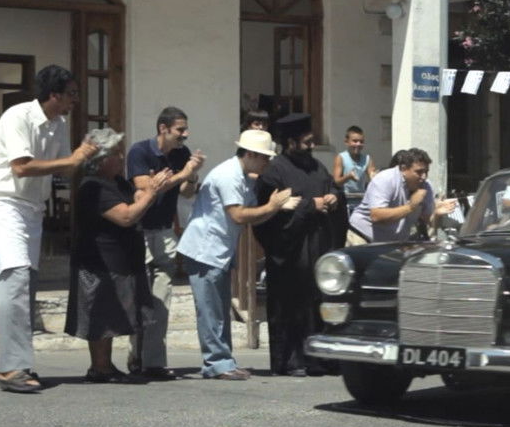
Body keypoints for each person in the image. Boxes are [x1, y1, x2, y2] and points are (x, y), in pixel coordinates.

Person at [0, 64, 98, 393]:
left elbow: (60, 169)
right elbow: (22, 166)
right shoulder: (17, 117)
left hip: (32, 210)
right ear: (54, 94)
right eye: (71, 94)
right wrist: (73, 159)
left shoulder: (58, 123)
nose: (75, 100)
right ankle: (10, 368)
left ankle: (20, 363)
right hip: (3, 205)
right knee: (14, 281)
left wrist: (86, 158)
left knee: (25, 287)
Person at [176, 130, 292, 380]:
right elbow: (238, 215)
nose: (267, 163)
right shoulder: (229, 175)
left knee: (219, 310)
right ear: (250, 154)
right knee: (210, 311)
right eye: (264, 157)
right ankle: (217, 363)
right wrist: (273, 207)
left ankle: (224, 360)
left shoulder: (241, 175)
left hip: (217, 250)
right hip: (205, 250)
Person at [66, 129, 170, 383]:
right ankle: (99, 368)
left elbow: (137, 199)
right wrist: (150, 194)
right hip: (100, 261)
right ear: (101, 158)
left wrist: (152, 190)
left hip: (121, 261)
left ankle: (105, 366)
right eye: (115, 153)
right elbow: (125, 216)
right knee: (102, 314)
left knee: (112, 314)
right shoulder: (93, 186)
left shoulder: (117, 182)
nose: (121, 157)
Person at [254, 113, 346, 376]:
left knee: (319, 303)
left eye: (312, 142)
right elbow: (268, 215)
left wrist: (333, 198)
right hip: (290, 252)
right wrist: (310, 206)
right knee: (291, 305)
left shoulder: (317, 167)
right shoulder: (274, 172)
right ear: (290, 142)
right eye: (305, 142)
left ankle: (320, 358)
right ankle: (291, 360)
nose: (310, 147)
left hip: (319, 248)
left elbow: (333, 190)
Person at [123, 106, 205, 380]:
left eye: (185, 129)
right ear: (163, 128)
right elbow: (147, 188)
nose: (185, 134)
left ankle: (154, 362)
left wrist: (191, 175)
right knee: (141, 296)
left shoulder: (182, 154)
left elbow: (187, 192)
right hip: (140, 231)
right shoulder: (140, 151)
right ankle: (137, 357)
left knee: (162, 299)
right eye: (180, 129)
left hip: (165, 230)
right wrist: (182, 174)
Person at [349, 148, 457, 243]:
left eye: (426, 171)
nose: (424, 176)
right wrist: (410, 207)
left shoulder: (426, 186)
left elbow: (431, 222)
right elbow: (376, 216)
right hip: (363, 238)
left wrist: (437, 214)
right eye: (419, 172)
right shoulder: (385, 179)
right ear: (404, 169)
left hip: (392, 243)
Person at [333, 125, 376, 215]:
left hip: (361, 202)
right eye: (355, 141)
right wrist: (348, 177)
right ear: (346, 142)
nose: (358, 144)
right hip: (345, 202)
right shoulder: (341, 157)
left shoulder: (367, 159)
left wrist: (375, 176)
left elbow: (373, 177)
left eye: (361, 141)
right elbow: (336, 182)